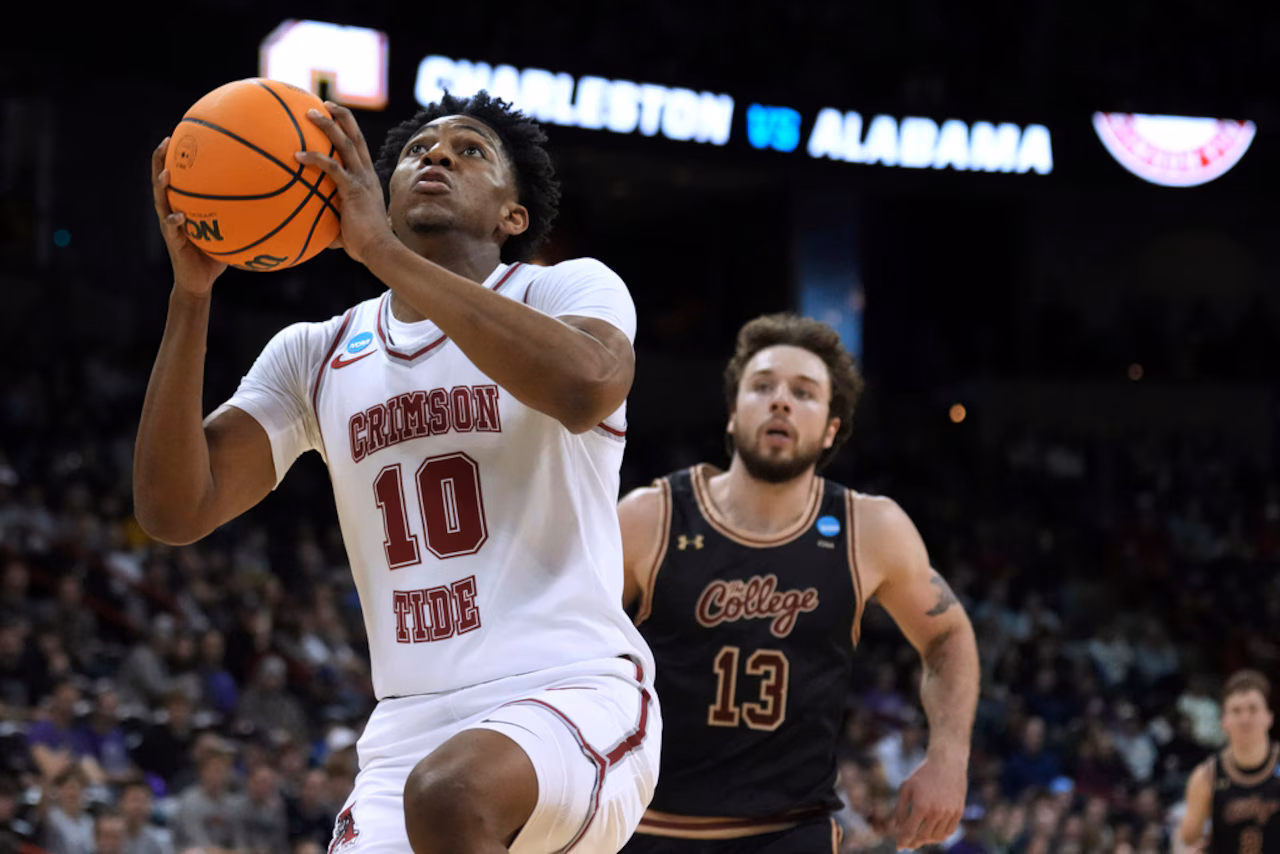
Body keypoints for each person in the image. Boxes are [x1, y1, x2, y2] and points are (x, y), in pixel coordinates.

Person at [136, 90, 659, 853]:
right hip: (409, 727)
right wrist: (191, 295)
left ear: (513, 216)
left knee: (453, 793)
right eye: (417, 151)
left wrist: (383, 252)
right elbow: (174, 509)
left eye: (470, 150)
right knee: (441, 790)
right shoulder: (315, 353)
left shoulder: (565, 289)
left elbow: (585, 388)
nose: (437, 155)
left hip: (573, 692)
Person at [617, 314, 979, 851]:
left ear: (832, 427)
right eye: (762, 387)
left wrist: (948, 757)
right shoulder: (652, 518)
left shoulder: (869, 530)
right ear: (735, 414)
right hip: (646, 823)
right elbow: (566, 641)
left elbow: (947, 637)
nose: (780, 401)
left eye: (804, 393)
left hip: (791, 829)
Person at [1179, 668, 1279, 853]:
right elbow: (1188, 838)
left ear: (1269, 717)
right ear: (1224, 721)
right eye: (1236, 710)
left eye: (1253, 709)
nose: (1245, 718)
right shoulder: (1206, 776)